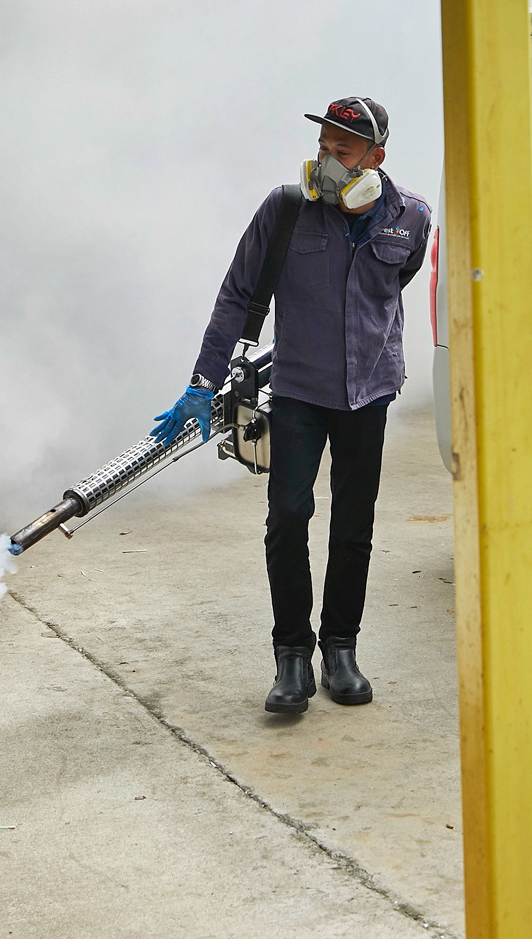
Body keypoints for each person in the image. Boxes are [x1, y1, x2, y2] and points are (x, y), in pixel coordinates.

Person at [150, 98, 432, 714]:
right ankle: (292, 658)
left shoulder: (410, 218)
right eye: (324, 143)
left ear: (375, 158)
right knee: (288, 516)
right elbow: (235, 297)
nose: (329, 157)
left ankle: (341, 650)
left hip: (369, 392)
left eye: (345, 149)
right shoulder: (286, 211)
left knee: (354, 524)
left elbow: (395, 285)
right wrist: (202, 381)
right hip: (300, 391)